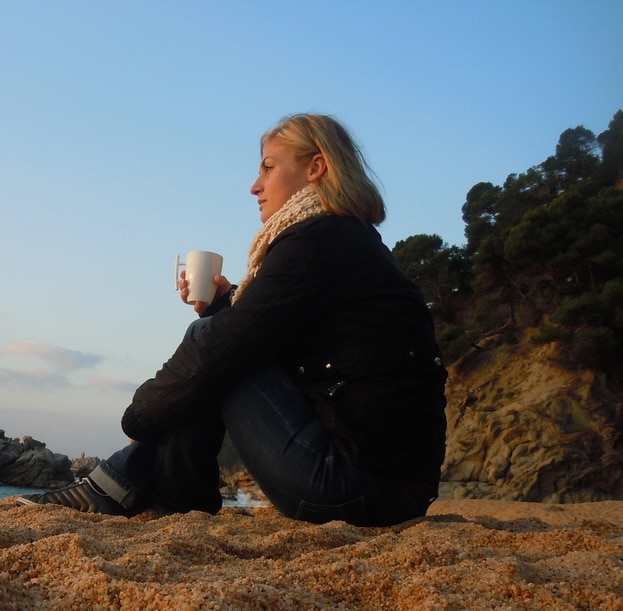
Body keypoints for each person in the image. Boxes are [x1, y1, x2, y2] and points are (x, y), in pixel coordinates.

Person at [18, 113, 447, 527]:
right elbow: (274, 340)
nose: (254, 186)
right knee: (215, 337)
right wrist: (228, 306)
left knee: (209, 341)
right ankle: (148, 489)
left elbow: (229, 348)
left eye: (268, 168)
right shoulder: (345, 239)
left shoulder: (319, 239)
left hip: (358, 488)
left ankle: (139, 486)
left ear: (316, 167)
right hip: (392, 487)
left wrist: (140, 418)